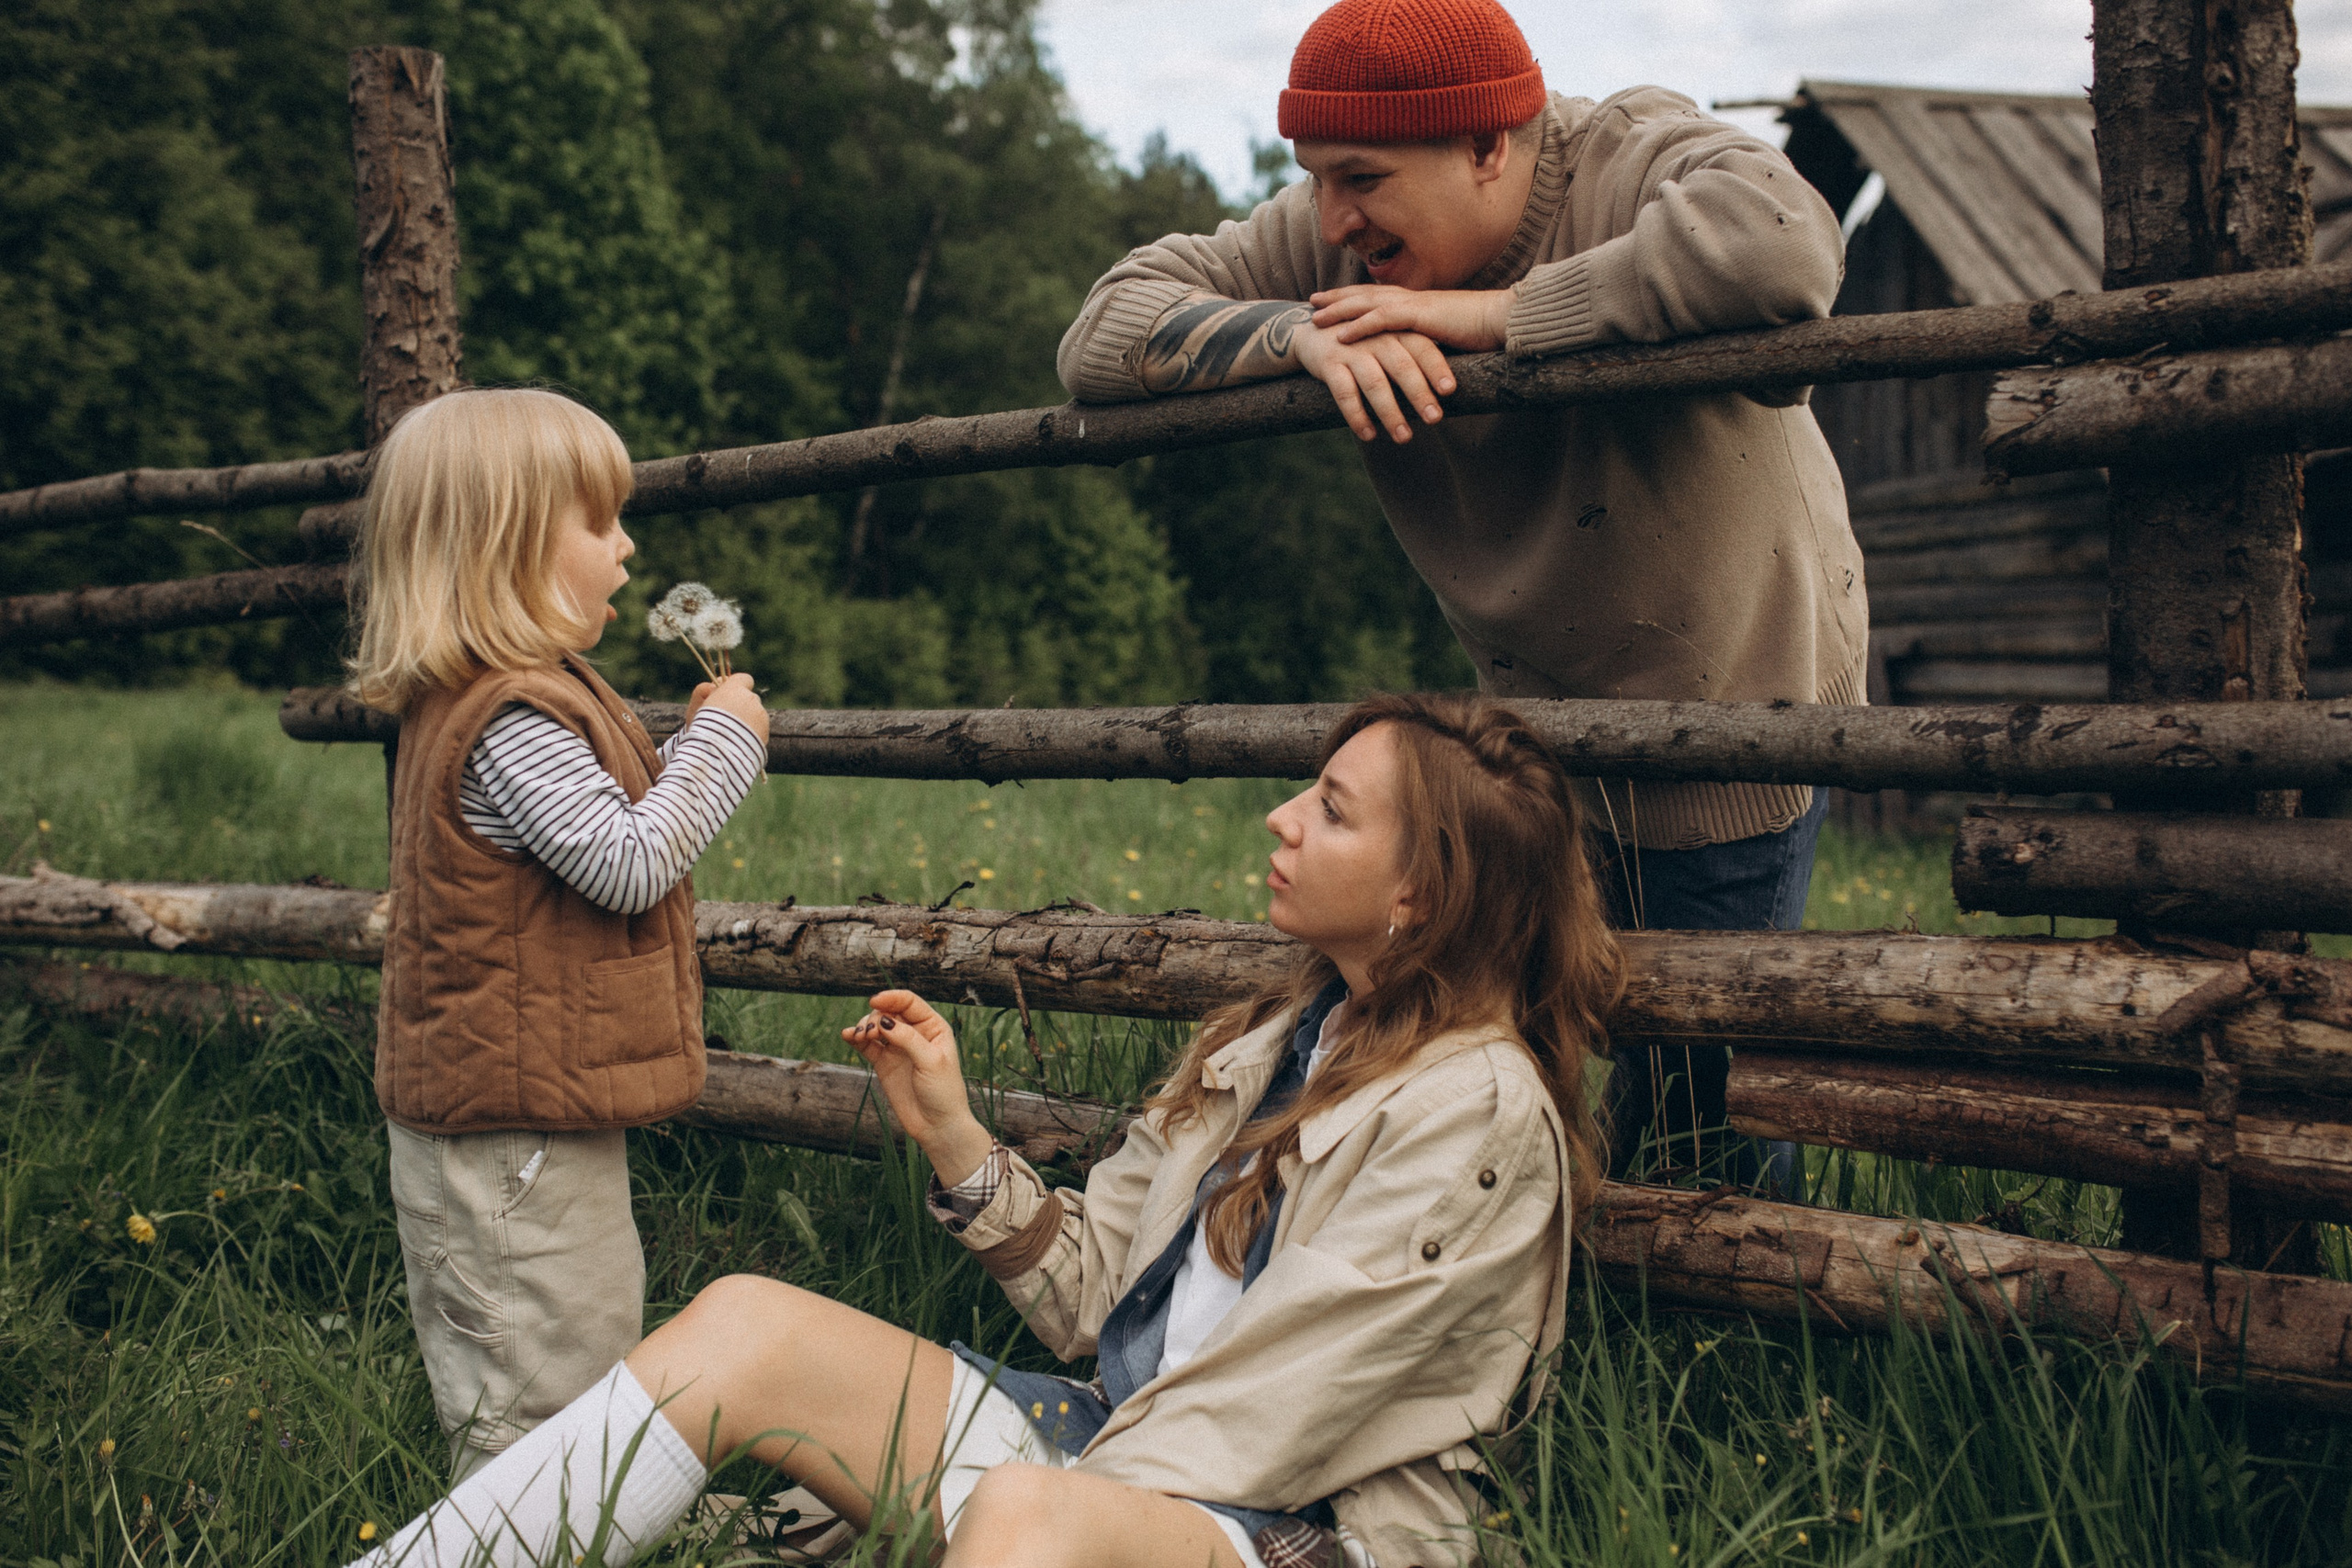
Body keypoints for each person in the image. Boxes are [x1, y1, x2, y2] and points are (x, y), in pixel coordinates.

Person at [349, 693, 1622, 1568]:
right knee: (745, 1325)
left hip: (1295, 1528)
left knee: (1025, 1513)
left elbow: (1280, 1414)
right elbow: (1098, 1309)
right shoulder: (1275, 1042)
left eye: (1333, 810)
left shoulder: (1473, 1111)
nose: (1282, 816)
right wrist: (956, 1138)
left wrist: (968, 1500)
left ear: (1420, 894)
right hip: (1111, 1453)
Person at [1059, 0, 1867, 1190]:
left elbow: (1784, 245)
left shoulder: (1625, 154)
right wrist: (1294, 337)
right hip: (1528, 728)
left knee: (1704, 1086)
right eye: (1316, 179)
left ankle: (1724, 1298)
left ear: (1489, 144)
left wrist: (1496, 320)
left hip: (1732, 694)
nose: (1333, 219)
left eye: (1362, 178)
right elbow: (1099, 330)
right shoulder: (1342, 250)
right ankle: (1523, 1266)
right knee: (1515, 1043)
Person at [347, 387, 771, 1480]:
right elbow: (626, 864)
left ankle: (593, 1517)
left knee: (579, 1332)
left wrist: (679, 745)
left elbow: (590, 839)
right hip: (509, 1127)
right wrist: (724, 743)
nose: (627, 547)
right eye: (599, 521)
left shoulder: (512, 696)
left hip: (528, 1101)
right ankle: (522, 1533)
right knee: (532, 1384)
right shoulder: (512, 714)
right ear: (507, 549)